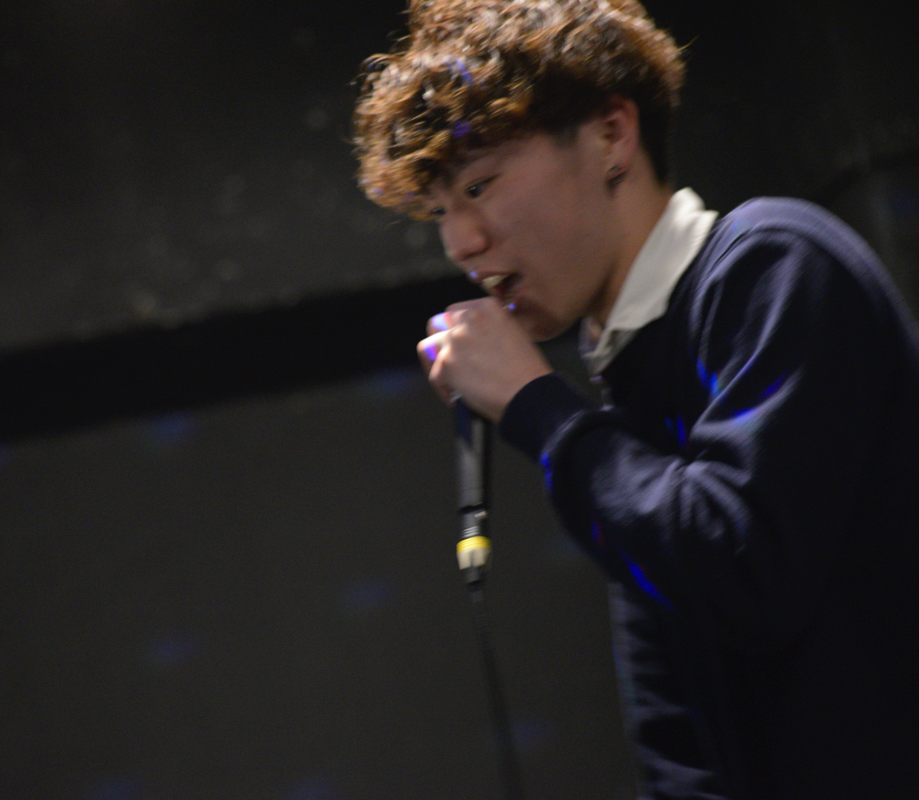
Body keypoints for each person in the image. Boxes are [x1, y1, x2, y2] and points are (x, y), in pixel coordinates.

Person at [352, 1, 919, 798]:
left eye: (480, 185)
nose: (461, 243)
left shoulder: (773, 263)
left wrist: (537, 406)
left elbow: (742, 568)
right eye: (442, 211)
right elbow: (675, 726)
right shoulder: (626, 382)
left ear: (612, 136)